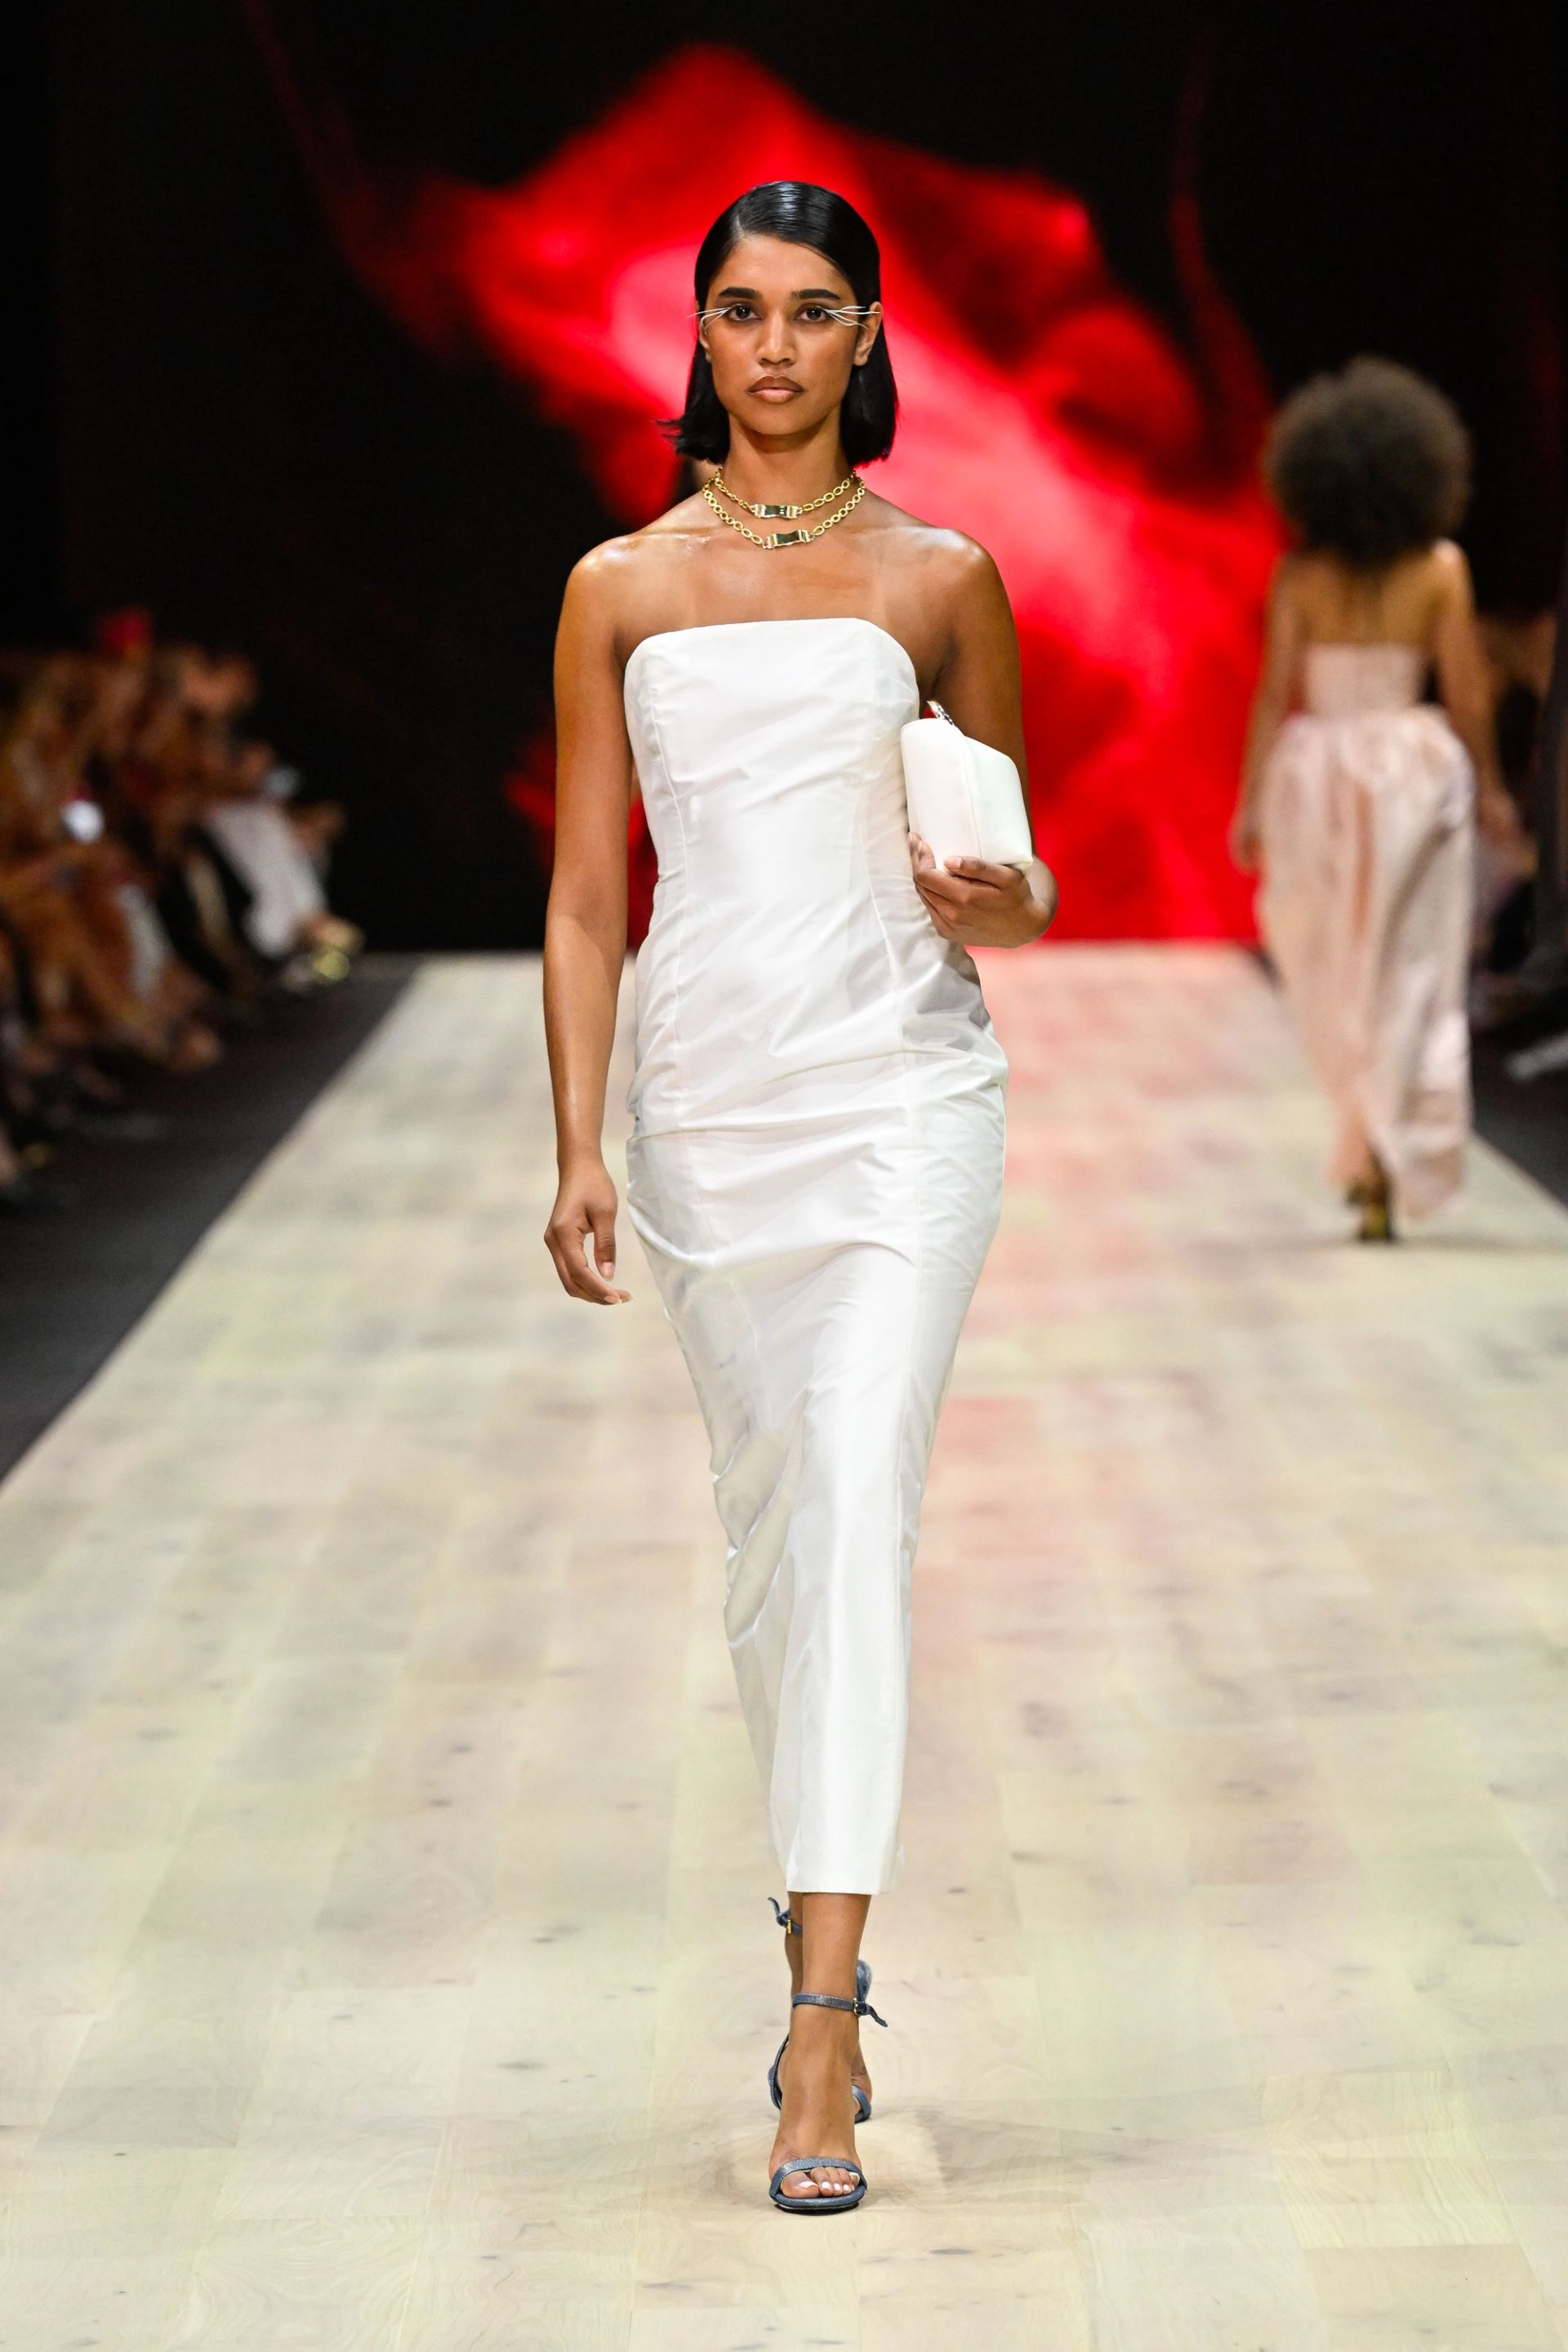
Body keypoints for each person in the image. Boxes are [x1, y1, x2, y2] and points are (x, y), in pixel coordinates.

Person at [541, 180, 1057, 2213]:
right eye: (743, 310)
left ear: (868, 336)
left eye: (813, 310)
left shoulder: (942, 577)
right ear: (698, 332)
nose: (774, 345)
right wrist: (577, 1142)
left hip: (901, 1091)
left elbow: (1021, 877)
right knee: (777, 1535)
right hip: (709, 1106)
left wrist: (999, 900)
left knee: (847, 1494)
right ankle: (809, 1921)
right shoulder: (616, 586)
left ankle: (825, 2025)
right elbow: (588, 896)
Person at [1231, 357, 1522, 1241]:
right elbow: (1466, 693)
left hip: (1317, 773)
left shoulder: (1301, 575)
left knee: (1332, 968)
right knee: (1412, 968)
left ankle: (1365, 1150)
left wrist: (1250, 802)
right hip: (1411, 772)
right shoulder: (1441, 570)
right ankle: (1388, 1151)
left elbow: (1274, 694)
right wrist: (1492, 788)